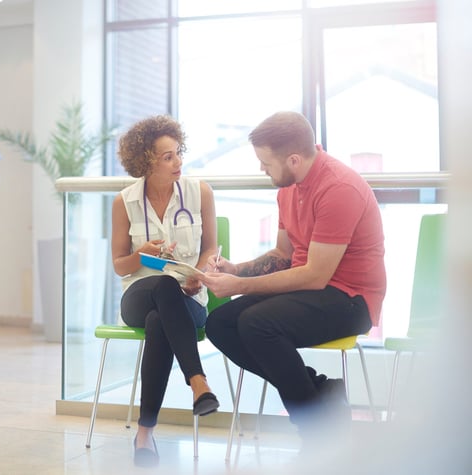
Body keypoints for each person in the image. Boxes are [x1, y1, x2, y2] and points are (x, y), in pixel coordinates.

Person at [197, 111, 386, 454]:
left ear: (294, 159)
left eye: (265, 162)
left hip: (352, 299)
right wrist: (235, 269)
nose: (261, 169)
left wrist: (238, 287)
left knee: (257, 324)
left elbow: (315, 275)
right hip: (310, 289)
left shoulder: (339, 188)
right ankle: (319, 393)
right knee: (221, 324)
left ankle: (314, 428)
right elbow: (283, 254)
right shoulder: (289, 188)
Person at [111, 115, 220, 468]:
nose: (178, 163)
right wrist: (142, 254)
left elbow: (211, 250)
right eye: (167, 157)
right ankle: (198, 382)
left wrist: (200, 275)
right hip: (138, 296)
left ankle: (145, 432)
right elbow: (119, 265)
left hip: (190, 298)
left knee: (162, 319)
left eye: (178, 154)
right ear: (146, 161)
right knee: (162, 286)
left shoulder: (199, 192)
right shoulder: (124, 202)